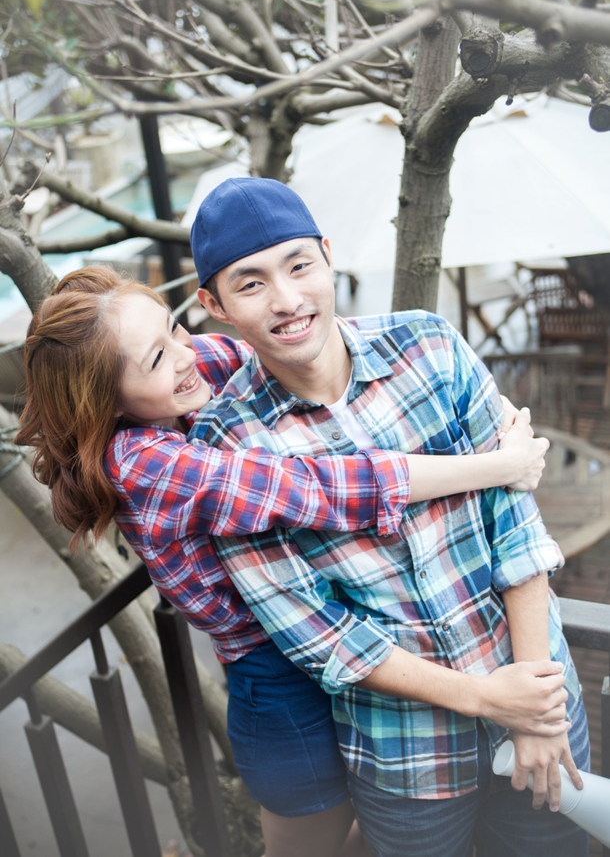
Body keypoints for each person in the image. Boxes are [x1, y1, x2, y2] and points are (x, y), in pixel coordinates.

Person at [17, 265, 565, 857]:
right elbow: (316, 489)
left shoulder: (184, 365)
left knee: (378, 823)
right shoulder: (141, 463)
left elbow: (308, 349)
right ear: (107, 402)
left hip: (339, 632)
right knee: (319, 845)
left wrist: (480, 402)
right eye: (156, 358)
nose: (185, 354)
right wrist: (497, 467)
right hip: (278, 677)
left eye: (173, 328)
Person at [190, 176, 590, 857]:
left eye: (298, 266)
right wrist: (490, 700)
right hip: (405, 754)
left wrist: (532, 703)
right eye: (250, 284)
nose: (287, 300)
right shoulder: (227, 445)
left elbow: (515, 523)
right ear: (214, 305)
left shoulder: (428, 345)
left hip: (541, 697)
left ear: (327, 256)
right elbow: (320, 633)